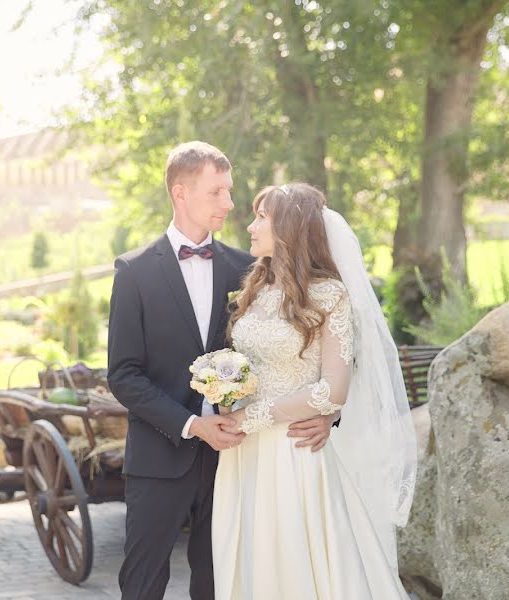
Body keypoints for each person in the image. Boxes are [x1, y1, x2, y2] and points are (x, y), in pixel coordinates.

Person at [107, 143, 338, 600]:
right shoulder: (133, 273)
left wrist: (328, 413)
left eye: (229, 191)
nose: (229, 204)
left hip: (238, 459)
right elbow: (123, 374)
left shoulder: (250, 268)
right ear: (181, 193)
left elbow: (307, 343)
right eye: (216, 192)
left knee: (223, 583)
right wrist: (193, 425)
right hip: (159, 457)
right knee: (142, 583)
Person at [212, 183, 417, 600]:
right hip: (243, 451)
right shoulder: (257, 288)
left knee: (297, 560)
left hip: (293, 450)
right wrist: (225, 388)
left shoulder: (329, 294)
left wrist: (250, 418)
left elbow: (333, 391)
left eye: (261, 218)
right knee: (252, 556)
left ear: (288, 228)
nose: (251, 226)